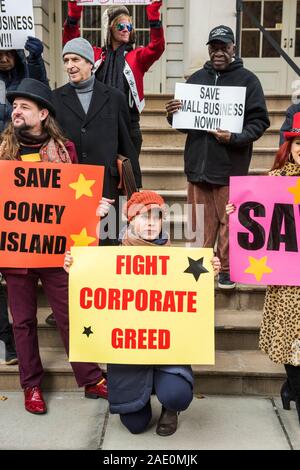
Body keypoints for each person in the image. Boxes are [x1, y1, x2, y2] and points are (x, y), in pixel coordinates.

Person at [64, 190, 221, 436]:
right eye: (142, 216)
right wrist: (75, 268)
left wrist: (210, 272)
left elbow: (194, 303)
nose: (150, 222)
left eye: (156, 217)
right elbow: (92, 295)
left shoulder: (178, 261)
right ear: (129, 220)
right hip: (129, 351)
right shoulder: (109, 258)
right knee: (135, 425)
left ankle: (171, 408)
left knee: (176, 395)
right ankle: (141, 396)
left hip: (166, 348)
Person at [0, 78, 108, 415]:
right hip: (16, 251)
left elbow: (72, 200)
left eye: (24, 107)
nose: (16, 111)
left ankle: (90, 377)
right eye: (14, 106)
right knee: (23, 321)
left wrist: (95, 209)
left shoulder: (66, 150)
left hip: (56, 251)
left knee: (69, 315)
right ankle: (30, 385)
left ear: (43, 113)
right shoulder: (2, 152)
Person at [166, 25, 270, 290]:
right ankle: (200, 266)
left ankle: (226, 269)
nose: (219, 52)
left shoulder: (248, 80)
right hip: (197, 168)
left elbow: (259, 122)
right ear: (209, 49)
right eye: (214, 47)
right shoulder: (197, 78)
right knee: (199, 222)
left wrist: (234, 137)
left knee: (229, 222)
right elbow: (186, 123)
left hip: (229, 167)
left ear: (234, 48)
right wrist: (172, 114)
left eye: (224, 46)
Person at [226, 112, 300, 426]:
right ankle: (296, 391)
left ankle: (289, 390)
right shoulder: (276, 180)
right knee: (290, 340)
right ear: (290, 146)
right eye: (298, 144)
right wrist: (235, 210)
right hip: (287, 281)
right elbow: (255, 215)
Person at [63, 0, 165, 156]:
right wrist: (74, 12)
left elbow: (157, 46)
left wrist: (153, 14)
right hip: (96, 122)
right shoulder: (96, 55)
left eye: (129, 27)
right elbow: (72, 43)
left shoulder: (137, 57)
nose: (125, 30)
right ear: (109, 28)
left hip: (129, 124)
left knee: (129, 175)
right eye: (120, 26)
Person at [0, 36, 48, 363]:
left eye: (7, 51)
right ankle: (8, 339)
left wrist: (35, 58)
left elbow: (40, 92)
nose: (3, 57)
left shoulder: (27, 71)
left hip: (22, 165)